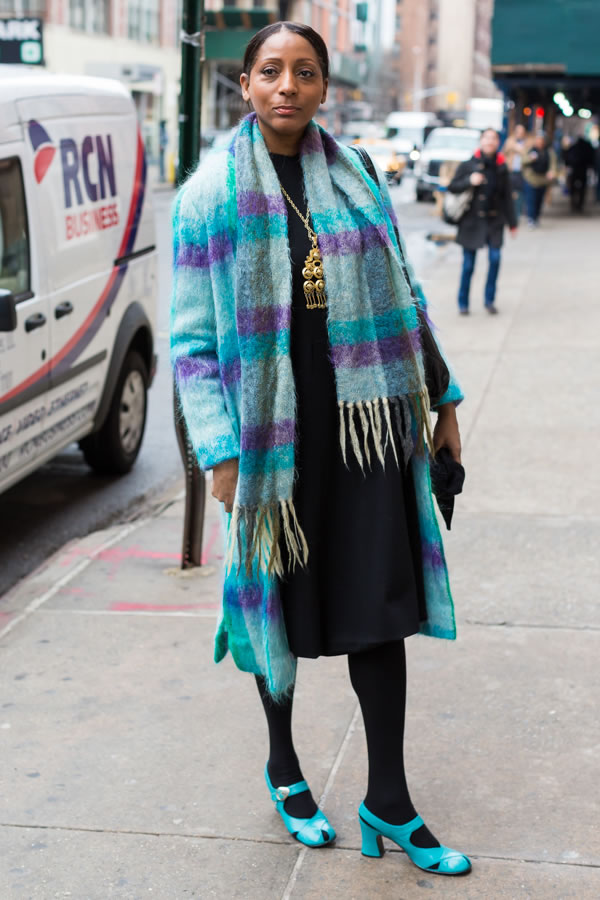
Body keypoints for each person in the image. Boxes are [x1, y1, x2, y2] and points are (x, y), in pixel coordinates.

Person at [171, 21, 471, 877]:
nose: (287, 87)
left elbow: (407, 299)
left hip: (365, 429)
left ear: (325, 86)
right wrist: (221, 453)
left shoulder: (358, 176)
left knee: (382, 606)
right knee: (278, 607)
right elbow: (192, 347)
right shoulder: (208, 198)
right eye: (271, 72)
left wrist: (442, 402)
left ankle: (390, 801)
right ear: (245, 86)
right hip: (273, 444)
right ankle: (284, 766)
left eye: (305, 72)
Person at [447, 128, 517, 316]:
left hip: (494, 221)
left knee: (495, 260)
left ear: (498, 143)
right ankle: (463, 303)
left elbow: (507, 198)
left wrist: (513, 223)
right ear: (480, 141)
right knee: (468, 265)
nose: (490, 142)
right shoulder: (468, 165)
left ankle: (489, 300)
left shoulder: (502, 168)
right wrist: (470, 180)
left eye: (493, 138)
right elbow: (452, 187)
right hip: (471, 222)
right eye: (486, 138)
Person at [522, 133, 557, 228]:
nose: (540, 142)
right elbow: (523, 161)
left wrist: (552, 171)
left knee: (539, 200)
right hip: (531, 179)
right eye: (538, 140)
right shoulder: (530, 150)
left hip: (543, 180)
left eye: (542, 140)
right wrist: (530, 158)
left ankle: (536, 217)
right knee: (531, 200)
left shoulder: (549, 152)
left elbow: (553, 164)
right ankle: (531, 218)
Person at [502, 123, 529, 221]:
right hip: (511, 170)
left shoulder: (527, 143)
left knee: (520, 193)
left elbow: (529, 155)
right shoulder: (510, 141)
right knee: (509, 192)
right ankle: (508, 214)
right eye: (518, 132)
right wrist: (513, 147)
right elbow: (503, 153)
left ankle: (517, 214)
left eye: (522, 132)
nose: (520, 134)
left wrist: (521, 150)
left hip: (522, 171)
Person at [565, 135, 595, 212]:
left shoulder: (573, 147)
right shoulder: (587, 147)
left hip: (575, 169)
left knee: (573, 187)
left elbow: (567, 158)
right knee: (582, 188)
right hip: (582, 169)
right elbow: (591, 158)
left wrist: (568, 165)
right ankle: (579, 204)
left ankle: (573, 203)